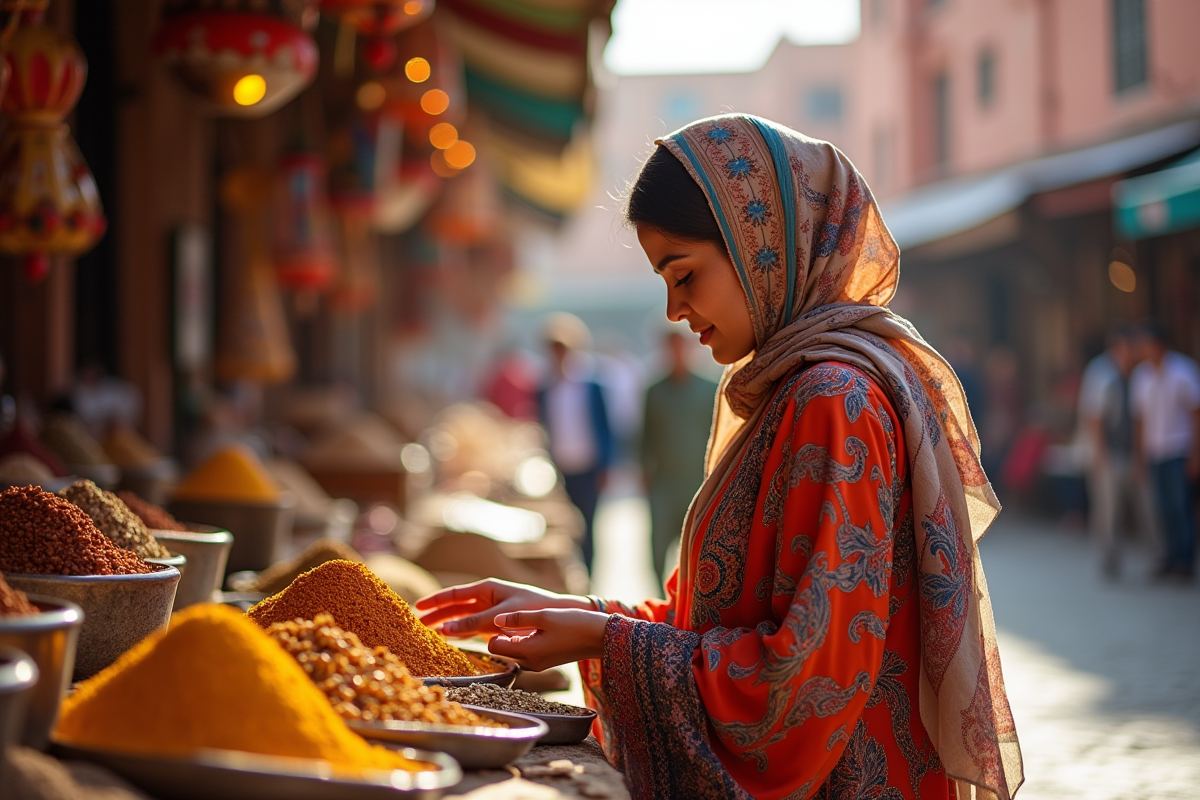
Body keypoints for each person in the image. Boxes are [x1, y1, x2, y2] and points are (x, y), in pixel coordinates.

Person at [419, 116, 1022, 799]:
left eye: (685, 274)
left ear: (761, 247)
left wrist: (603, 637)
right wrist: (583, 615)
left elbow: (797, 684)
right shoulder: (793, 389)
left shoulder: (832, 399)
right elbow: (721, 620)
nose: (674, 309)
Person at [536, 313, 615, 574]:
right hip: (560, 468)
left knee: (588, 526)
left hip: (588, 465)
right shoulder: (545, 388)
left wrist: (606, 465)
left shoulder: (590, 385)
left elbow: (606, 426)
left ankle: (588, 575)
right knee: (564, 526)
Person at [641, 326, 717, 585]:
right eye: (670, 347)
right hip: (664, 482)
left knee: (699, 545)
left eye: (680, 346)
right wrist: (643, 470)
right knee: (659, 545)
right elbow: (645, 434)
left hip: (698, 481)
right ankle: (661, 602)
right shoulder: (655, 391)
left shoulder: (710, 390)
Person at [1078, 325, 1156, 577]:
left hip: (1132, 450)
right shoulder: (1101, 372)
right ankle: (1110, 557)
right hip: (1108, 451)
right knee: (1108, 508)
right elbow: (1094, 417)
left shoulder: (1137, 372)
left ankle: (1158, 556)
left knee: (1146, 505)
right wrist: (1101, 455)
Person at [1132, 322, 1200, 580]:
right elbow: (1140, 420)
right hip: (1155, 450)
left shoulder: (1184, 372)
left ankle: (1185, 561)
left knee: (1181, 505)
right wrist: (1139, 456)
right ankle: (1169, 557)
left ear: (1159, 345)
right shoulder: (1142, 376)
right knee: (1162, 508)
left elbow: (1196, 416)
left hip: (1179, 450)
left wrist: (1196, 455)